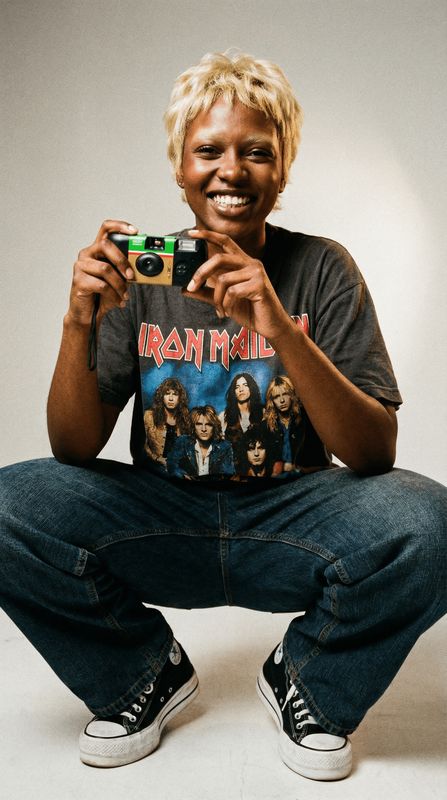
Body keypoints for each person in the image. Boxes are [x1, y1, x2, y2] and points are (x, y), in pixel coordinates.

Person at [0, 50, 446, 782]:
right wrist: (78, 321)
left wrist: (276, 324)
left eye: (256, 153)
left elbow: (372, 455)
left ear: (283, 169)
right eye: (207, 150)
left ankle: (308, 680)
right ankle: (140, 673)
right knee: (6, 504)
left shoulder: (321, 267)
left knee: (431, 523)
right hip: (164, 516)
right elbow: (72, 449)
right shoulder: (145, 278)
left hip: (293, 524)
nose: (230, 171)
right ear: (178, 168)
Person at [167, 405, 235, 478]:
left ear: (214, 427)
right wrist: (182, 475)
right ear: (193, 426)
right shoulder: (182, 442)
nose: (203, 429)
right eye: (199, 424)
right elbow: (172, 465)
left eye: (208, 424)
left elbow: (228, 473)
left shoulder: (224, 446)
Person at [143, 377, 190, 468]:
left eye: (175, 394)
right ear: (161, 396)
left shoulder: (186, 419)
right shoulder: (149, 416)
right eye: (167, 394)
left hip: (177, 469)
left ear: (180, 398)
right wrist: (157, 458)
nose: (171, 398)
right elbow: (142, 444)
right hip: (153, 467)